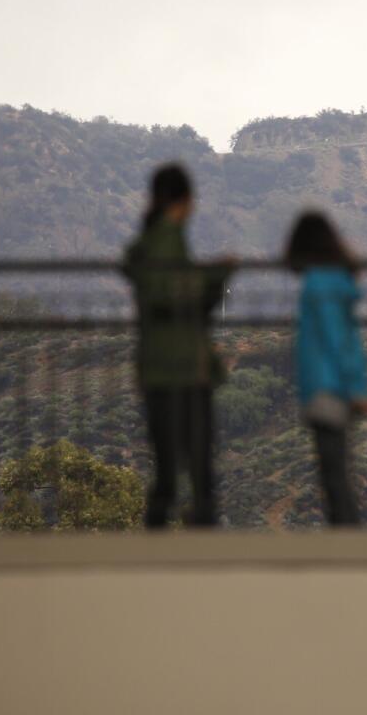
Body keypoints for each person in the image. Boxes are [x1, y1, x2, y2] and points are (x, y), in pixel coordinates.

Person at [124, 164, 230, 528]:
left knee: (167, 459)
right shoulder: (169, 238)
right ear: (184, 200)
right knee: (198, 455)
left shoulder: (151, 240)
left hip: (156, 364)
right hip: (184, 365)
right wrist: (215, 278)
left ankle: (160, 525)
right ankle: (200, 526)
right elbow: (178, 298)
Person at [285, 212, 367, 526]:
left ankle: (347, 538)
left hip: (325, 386)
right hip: (336, 385)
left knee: (333, 470)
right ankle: (346, 533)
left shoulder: (318, 283)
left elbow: (334, 338)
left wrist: (352, 386)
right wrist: (358, 385)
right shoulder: (334, 281)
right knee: (336, 466)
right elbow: (347, 340)